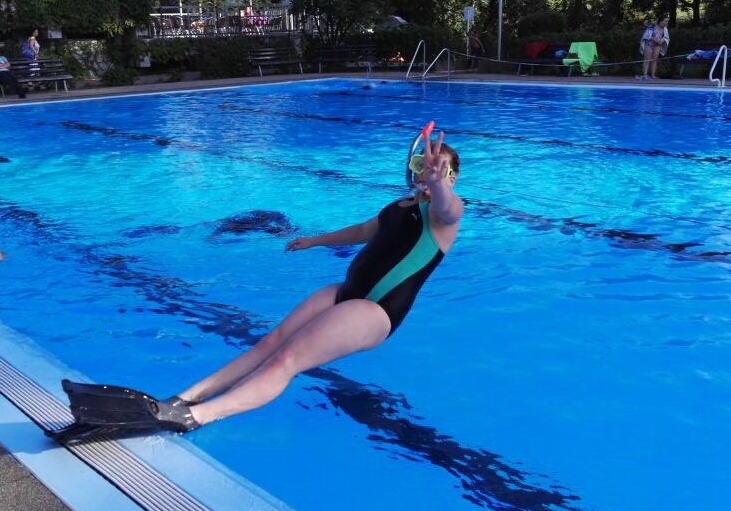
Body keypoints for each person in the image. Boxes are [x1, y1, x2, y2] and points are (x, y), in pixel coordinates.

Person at [50, 124, 463, 442]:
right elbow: (361, 231)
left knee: (288, 361)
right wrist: (313, 240)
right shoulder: (398, 205)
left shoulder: (447, 216)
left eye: (438, 170)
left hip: (376, 311)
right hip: (346, 290)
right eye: (420, 168)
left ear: (450, 176)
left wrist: (439, 182)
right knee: (269, 343)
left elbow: (445, 205)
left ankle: (195, 417)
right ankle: (183, 399)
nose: (425, 175)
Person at [638, 16, 670, 80]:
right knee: (647, 59)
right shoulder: (652, 27)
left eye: (667, 21)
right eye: (665, 21)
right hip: (649, 44)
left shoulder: (665, 29)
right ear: (661, 21)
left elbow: (666, 37)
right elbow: (647, 36)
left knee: (654, 60)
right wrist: (656, 40)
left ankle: (653, 75)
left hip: (657, 46)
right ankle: (645, 75)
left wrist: (662, 40)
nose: (667, 23)